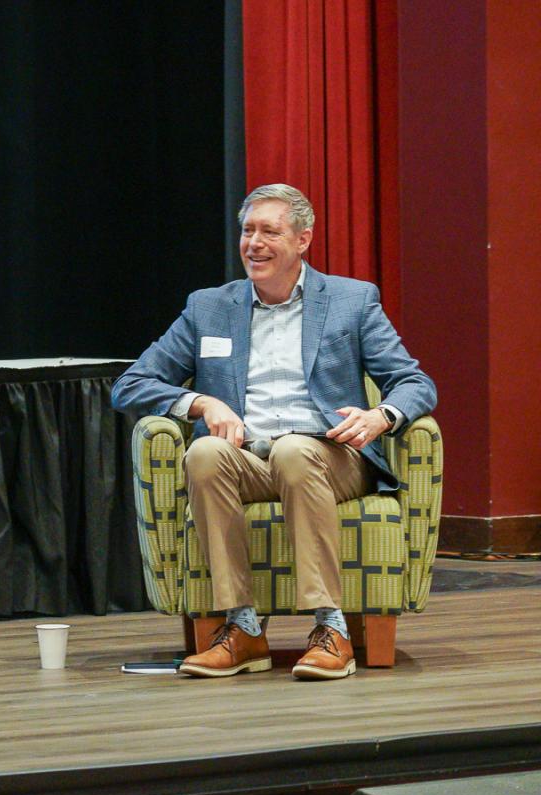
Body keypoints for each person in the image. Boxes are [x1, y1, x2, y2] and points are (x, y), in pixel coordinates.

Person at [111, 184, 436, 680]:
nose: (254, 243)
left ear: (303, 240)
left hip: (330, 458)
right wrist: (200, 401)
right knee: (203, 455)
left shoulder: (351, 301)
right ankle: (242, 628)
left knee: (294, 451)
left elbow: (414, 382)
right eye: (247, 231)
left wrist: (380, 417)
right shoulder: (209, 308)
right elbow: (130, 384)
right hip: (251, 457)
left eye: (269, 231)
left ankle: (332, 630)